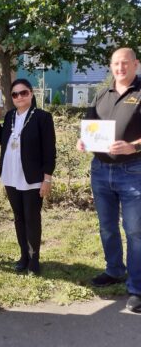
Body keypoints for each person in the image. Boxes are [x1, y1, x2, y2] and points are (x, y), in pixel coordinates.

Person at [77, 47, 141, 313]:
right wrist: (84, 140)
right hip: (101, 170)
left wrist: (134, 147)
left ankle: (137, 287)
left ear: (136, 64)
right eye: (116, 63)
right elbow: (91, 125)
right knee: (106, 227)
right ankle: (114, 270)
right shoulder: (103, 93)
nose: (120, 68)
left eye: (125, 63)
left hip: (133, 171)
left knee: (135, 231)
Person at [0, 78, 56, 275]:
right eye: (15, 94)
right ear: (12, 98)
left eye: (24, 93)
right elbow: (4, 139)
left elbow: (49, 151)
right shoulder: (10, 116)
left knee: (32, 218)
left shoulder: (42, 117)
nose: (19, 97)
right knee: (19, 218)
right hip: (10, 175)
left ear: (31, 94)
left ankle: (34, 258)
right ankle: (23, 255)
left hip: (31, 177)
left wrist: (46, 179)